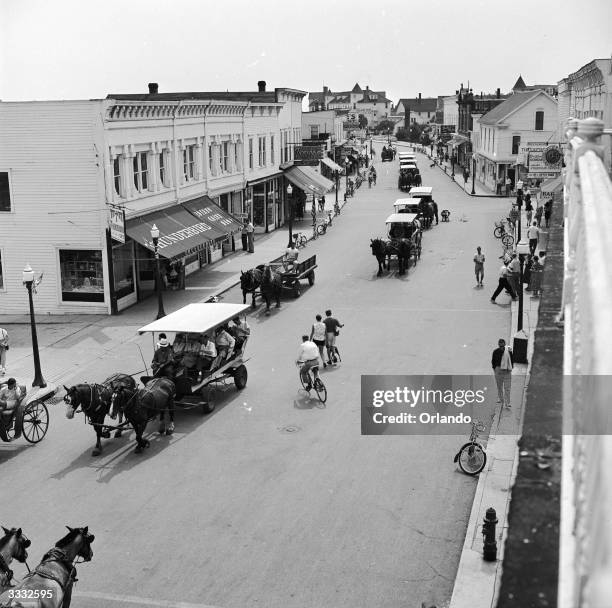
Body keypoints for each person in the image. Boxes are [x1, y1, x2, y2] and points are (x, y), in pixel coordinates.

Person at [492, 339, 514, 408]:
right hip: (498, 370)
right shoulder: (495, 352)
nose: (501, 347)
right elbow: (493, 361)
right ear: (499, 345)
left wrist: (511, 368)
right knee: (499, 387)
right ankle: (501, 399)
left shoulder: (509, 351)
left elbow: (512, 360)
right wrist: (495, 369)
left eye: (503, 346)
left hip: (507, 370)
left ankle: (507, 403)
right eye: (500, 345)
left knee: (507, 388)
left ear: (504, 345)